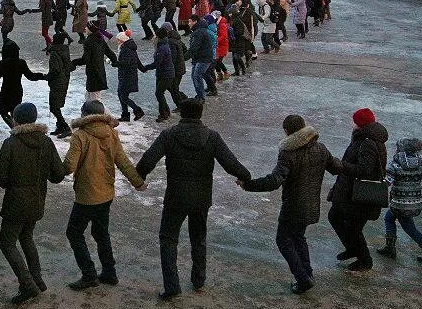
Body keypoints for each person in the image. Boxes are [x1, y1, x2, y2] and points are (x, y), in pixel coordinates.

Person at [136, 98, 250, 297]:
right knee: (199, 238)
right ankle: (198, 280)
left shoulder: (169, 135)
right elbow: (230, 163)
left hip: (176, 197)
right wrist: (245, 176)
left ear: (181, 113)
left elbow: (148, 160)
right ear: (200, 114)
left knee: (168, 240)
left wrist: (139, 178)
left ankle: (172, 287)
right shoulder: (212, 137)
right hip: (201, 198)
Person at [240, 114, 341, 294]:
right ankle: (307, 274)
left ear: (287, 132)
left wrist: (248, 185)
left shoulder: (288, 152)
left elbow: (274, 181)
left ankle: (303, 278)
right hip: (311, 204)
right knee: (298, 237)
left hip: (294, 206)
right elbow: (336, 168)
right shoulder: (321, 148)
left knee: (283, 240)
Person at [62, 99, 146, 291]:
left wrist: (52, 170)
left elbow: (68, 167)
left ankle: (89, 274)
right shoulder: (111, 134)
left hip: (86, 195)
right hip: (106, 193)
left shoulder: (80, 136)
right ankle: (109, 271)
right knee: (101, 233)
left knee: (74, 233)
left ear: (85, 115)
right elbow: (123, 161)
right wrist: (137, 182)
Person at [0, 102, 66, 304]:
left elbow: (1, 175)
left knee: (7, 243)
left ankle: (27, 284)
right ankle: (37, 279)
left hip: (16, 202)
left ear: (16, 119)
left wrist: (11, 183)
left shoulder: (11, 143)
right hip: (37, 199)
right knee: (26, 237)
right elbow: (58, 174)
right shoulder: (46, 142)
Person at [327, 107, 389, 272]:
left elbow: (365, 170)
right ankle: (353, 248)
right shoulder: (364, 138)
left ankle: (364, 260)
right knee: (335, 216)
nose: (352, 124)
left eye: (354, 121)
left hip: (360, 194)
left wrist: (341, 166)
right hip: (350, 191)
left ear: (360, 124)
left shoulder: (368, 142)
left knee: (352, 227)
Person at [375, 138, 422, 263]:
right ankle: (390, 248)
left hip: (399, 204)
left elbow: (386, 183)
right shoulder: (421, 163)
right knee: (389, 218)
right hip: (414, 203)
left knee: (410, 228)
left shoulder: (395, 164)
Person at [0, 39, 46, 129]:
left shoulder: (3, 63)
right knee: (15, 112)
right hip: (17, 91)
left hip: (6, 91)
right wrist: (42, 76)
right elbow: (30, 76)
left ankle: (14, 128)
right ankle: (17, 128)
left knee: (3, 112)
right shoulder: (21, 62)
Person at [72, 22, 117, 102]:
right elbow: (110, 53)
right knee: (89, 97)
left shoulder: (89, 41)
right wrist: (114, 61)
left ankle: (103, 114)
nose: (85, 28)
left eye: (87, 27)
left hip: (93, 72)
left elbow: (85, 59)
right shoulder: (100, 39)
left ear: (91, 29)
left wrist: (74, 62)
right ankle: (90, 113)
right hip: (99, 71)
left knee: (95, 100)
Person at [45, 31, 74, 138]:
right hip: (64, 80)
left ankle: (65, 127)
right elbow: (70, 66)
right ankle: (60, 126)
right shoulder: (64, 51)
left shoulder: (54, 53)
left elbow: (55, 70)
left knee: (54, 107)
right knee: (56, 105)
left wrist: (47, 77)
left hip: (57, 82)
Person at [114, 31, 144, 122]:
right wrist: (143, 69)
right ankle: (125, 115)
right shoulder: (128, 47)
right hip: (127, 75)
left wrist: (114, 63)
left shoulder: (126, 49)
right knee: (121, 94)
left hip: (128, 75)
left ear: (122, 40)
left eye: (118, 40)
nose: (117, 42)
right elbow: (137, 60)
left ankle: (137, 110)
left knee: (123, 96)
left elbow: (126, 63)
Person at [185, 15, 216, 101]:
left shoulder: (199, 32)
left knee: (197, 75)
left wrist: (183, 58)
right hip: (200, 57)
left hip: (204, 58)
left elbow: (194, 47)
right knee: (195, 75)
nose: (188, 24)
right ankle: (200, 94)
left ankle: (201, 97)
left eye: (190, 21)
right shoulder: (198, 30)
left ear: (194, 22)